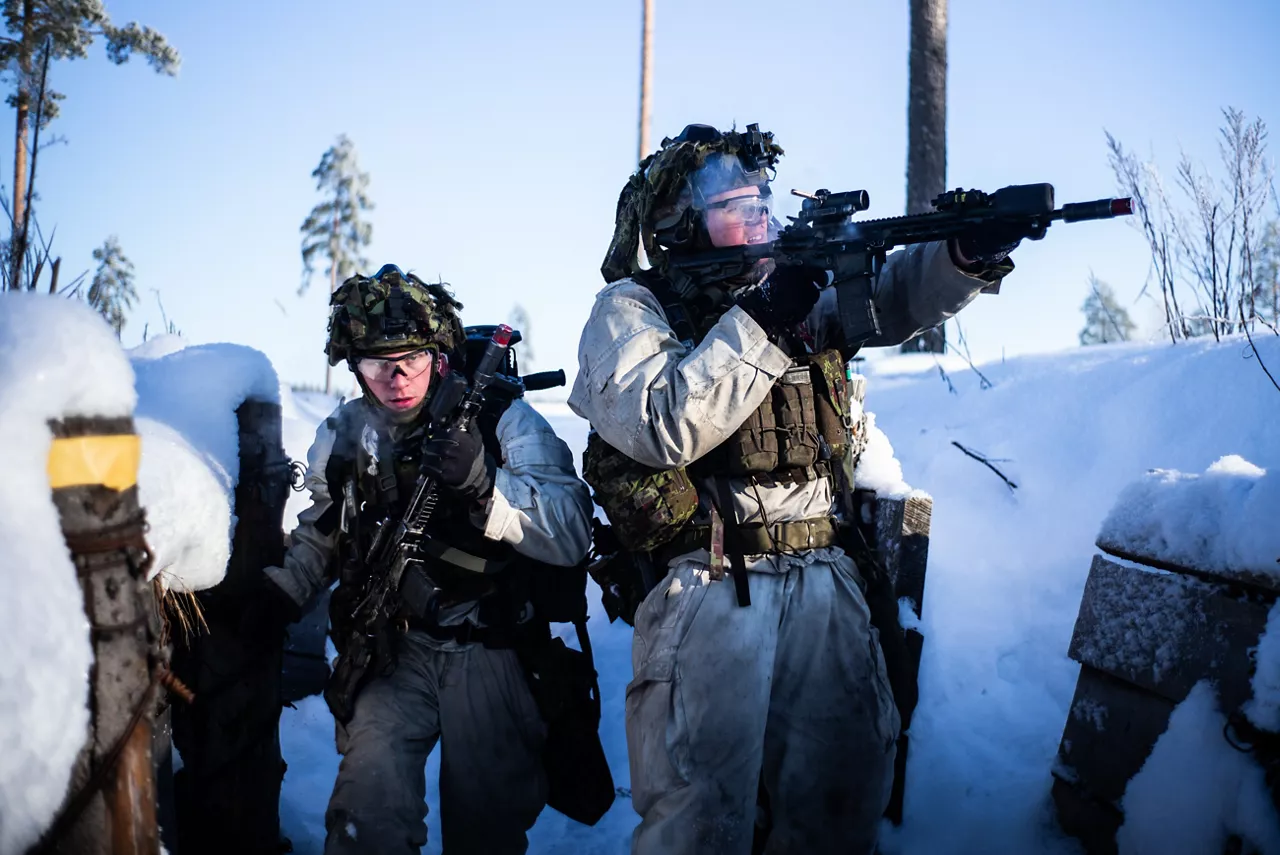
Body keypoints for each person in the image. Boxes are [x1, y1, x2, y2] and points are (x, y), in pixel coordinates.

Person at [570, 123, 1020, 855]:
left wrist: (964, 256)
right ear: (678, 223)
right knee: (699, 812)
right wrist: (768, 314)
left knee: (839, 797)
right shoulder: (630, 310)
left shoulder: (792, 287)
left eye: (761, 201)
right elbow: (663, 423)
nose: (758, 217)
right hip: (712, 579)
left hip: (824, 574)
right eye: (734, 205)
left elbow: (892, 301)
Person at [252, 264, 594, 854]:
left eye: (410, 357)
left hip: (489, 647)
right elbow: (322, 535)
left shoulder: (503, 421)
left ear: (439, 354)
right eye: (375, 363)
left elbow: (571, 532)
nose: (396, 377)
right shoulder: (345, 435)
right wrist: (279, 593)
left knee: (485, 833)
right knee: (365, 817)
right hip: (393, 648)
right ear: (353, 367)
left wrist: (486, 488)